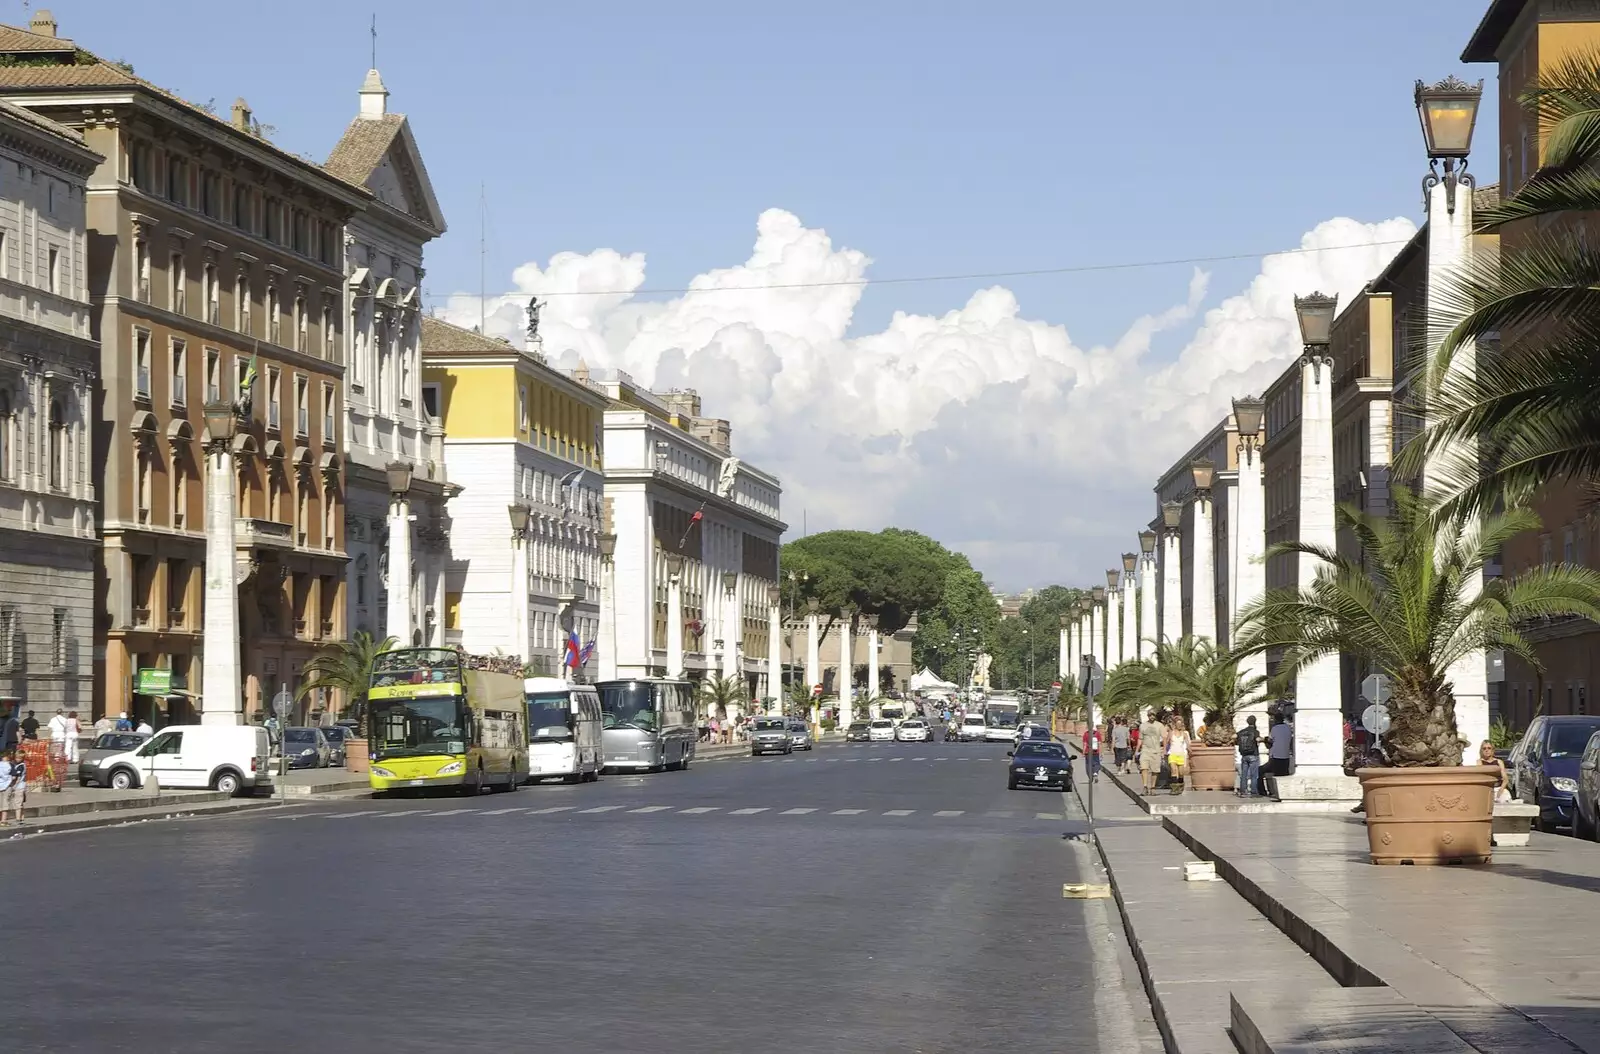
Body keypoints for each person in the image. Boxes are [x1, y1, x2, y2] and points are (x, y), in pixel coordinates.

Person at [1265, 712, 1294, 800]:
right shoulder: (1288, 728)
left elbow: (1270, 740)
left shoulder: (1275, 729)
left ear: (1276, 720)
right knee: (1285, 774)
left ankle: (1275, 793)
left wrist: (1265, 740)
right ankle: (1286, 792)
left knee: (1276, 775)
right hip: (1286, 755)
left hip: (1276, 755)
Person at [1138, 712, 1165, 795]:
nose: (1152, 717)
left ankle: (1152, 787)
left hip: (1156, 750)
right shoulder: (1142, 726)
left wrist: (1164, 750)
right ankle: (1145, 786)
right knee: (1143, 768)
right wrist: (1137, 751)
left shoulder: (1159, 725)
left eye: (1153, 715)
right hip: (1145, 750)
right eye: (1150, 715)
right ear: (1148, 716)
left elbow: (1164, 737)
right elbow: (1140, 738)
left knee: (1155, 770)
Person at [1236, 715, 1262, 798]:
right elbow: (1258, 739)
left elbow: (1233, 736)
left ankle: (1243, 791)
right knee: (1254, 775)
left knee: (1244, 774)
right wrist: (1263, 739)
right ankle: (1254, 792)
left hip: (1244, 755)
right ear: (1254, 722)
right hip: (1253, 755)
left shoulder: (1242, 731)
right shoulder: (1255, 731)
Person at [0, 748, 25, 827]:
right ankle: (3, 820)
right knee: (5, 803)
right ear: (8, 756)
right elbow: (14, 777)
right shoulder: (10, 765)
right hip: (8, 786)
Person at [1165, 717, 1190, 795]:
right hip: (1172, 754)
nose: (1179, 725)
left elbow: (1188, 744)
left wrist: (1190, 751)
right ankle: (1174, 788)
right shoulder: (1171, 733)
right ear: (1175, 724)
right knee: (1173, 770)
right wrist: (1164, 751)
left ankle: (1180, 785)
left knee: (1181, 772)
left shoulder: (1185, 734)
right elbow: (1166, 742)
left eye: (1180, 724)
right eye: (1178, 723)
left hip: (1181, 754)